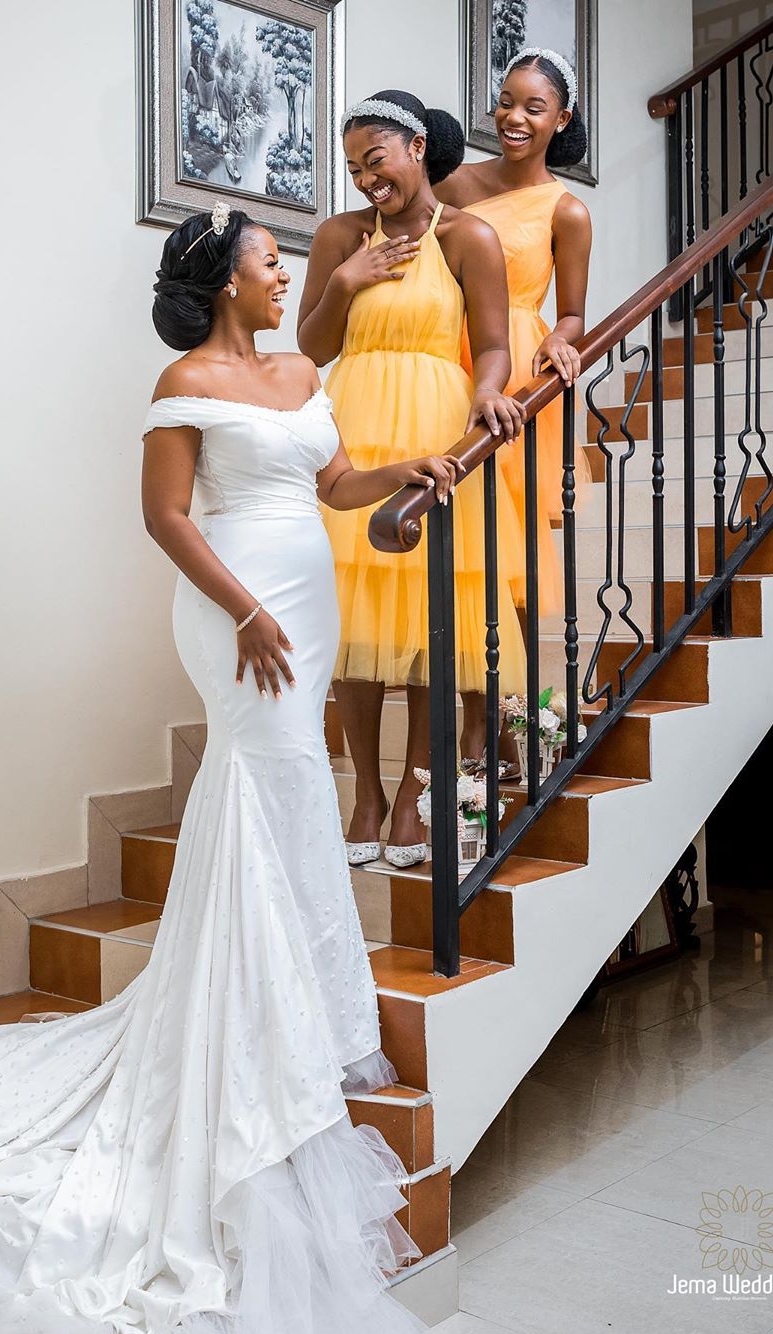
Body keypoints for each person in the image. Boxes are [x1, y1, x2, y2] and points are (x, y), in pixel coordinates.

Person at [0, 201, 462, 1334]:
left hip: (307, 601)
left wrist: (410, 466)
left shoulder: (302, 371)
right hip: (235, 611)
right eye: (268, 262)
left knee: (293, 792)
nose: (284, 274)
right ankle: (256, 1023)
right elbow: (164, 517)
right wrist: (244, 609)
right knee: (264, 779)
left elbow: (339, 483)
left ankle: (300, 1010)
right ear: (226, 282)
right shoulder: (182, 381)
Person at [298, 89, 528, 869]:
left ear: (417, 148)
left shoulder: (469, 237)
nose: (368, 180)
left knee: (437, 623)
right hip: (357, 435)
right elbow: (312, 348)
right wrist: (346, 281)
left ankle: (410, 798)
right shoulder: (339, 236)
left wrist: (489, 391)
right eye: (354, 169)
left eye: (377, 161)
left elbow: (492, 344)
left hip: (437, 431)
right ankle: (365, 795)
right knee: (356, 626)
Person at [436, 47, 593, 622]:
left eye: (533, 107)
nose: (514, 118)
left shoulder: (567, 212)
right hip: (444, 349)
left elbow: (572, 313)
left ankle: (509, 675)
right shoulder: (453, 183)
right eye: (505, 103)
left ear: (561, 119)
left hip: (517, 362)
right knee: (445, 497)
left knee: (509, 524)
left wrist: (560, 339)